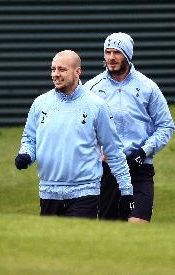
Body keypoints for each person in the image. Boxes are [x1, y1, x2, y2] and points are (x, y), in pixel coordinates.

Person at [15, 50, 133, 219]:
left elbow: (113, 151)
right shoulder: (40, 103)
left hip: (85, 193)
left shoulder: (97, 106)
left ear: (77, 72)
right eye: (53, 69)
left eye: (61, 70)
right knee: (50, 245)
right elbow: (30, 139)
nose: (55, 74)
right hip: (48, 192)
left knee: (77, 244)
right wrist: (26, 154)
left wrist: (126, 191)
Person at [85, 32, 175, 223]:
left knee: (137, 225)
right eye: (107, 52)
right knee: (110, 234)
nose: (111, 58)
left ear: (127, 55)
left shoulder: (148, 87)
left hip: (139, 168)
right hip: (107, 170)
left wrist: (144, 152)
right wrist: (95, 151)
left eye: (116, 52)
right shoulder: (91, 88)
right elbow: (81, 126)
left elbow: (166, 126)